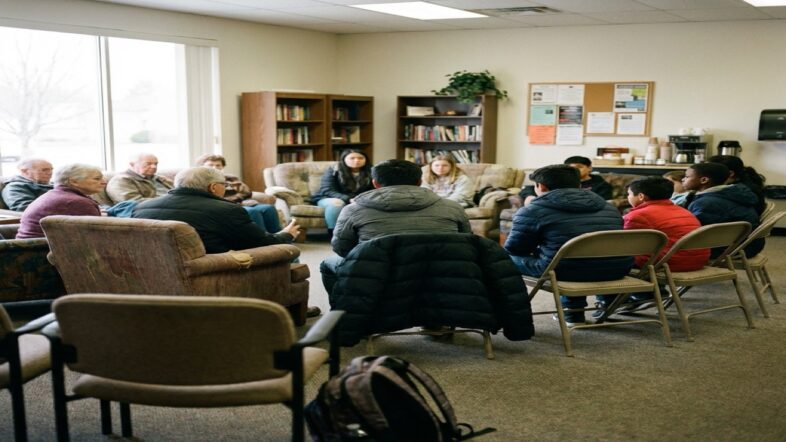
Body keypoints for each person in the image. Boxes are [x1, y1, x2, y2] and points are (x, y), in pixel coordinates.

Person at [504, 164, 631, 326]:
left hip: (564, 271)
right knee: (572, 255)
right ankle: (607, 303)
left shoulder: (532, 210)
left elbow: (516, 249)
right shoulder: (609, 207)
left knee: (505, 257)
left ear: (540, 186)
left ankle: (572, 313)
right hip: (617, 268)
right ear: (579, 185)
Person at [320, 159, 471, 294]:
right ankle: (434, 320)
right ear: (419, 181)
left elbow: (341, 248)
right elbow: (466, 243)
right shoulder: (454, 207)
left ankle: (343, 313)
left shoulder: (352, 210)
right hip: (438, 271)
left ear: (375, 183)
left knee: (327, 264)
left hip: (377, 271)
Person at [132, 167, 300, 254]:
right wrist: (286, 234)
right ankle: (292, 302)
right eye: (224, 185)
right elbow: (261, 244)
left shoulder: (140, 208)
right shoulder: (227, 210)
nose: (225, 188)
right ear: (213, 187)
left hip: (159, 273)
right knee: (286, 249)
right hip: (214, 268)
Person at [617, 177, 710, 311]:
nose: (628, 197)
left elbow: (627, 245)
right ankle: (651, 292)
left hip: (670, 263)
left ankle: (643, 294)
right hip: (698, 259)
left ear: (641, 196)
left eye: (629, 194)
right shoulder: (683, 210)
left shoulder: (638, 216)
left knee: (611, 258)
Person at [682, 162, 763, 258]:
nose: (683, 179)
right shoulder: (732, 192)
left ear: (704, 180)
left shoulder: (706, 203)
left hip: (731, 249)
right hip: (747, 245)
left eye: (687, 177)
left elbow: (693, 232)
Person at [194, 153, 282, 233]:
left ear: (222, 167)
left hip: (240, 204)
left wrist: (237, 197)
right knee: (253, 211)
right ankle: (263, 240)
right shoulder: (201, 181)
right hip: (225, 207)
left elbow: (247, 192)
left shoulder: (230, 178)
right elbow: (212, 198)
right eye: (210, 165)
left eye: (218, 165)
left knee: (268, 208)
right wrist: (235, 198)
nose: (215, 168)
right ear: (202, 167)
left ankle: (279, 237)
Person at [16, 164, 105, 239]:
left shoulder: (56, 194)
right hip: (42, 251)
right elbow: (96, 236)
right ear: (74, 181)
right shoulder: (77, 202)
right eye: (97, 179)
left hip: (28, 249)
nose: (103, 182)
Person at [312, 150, 373, 233]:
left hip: (359, 199)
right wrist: (348, 199)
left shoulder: (372, 171)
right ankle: (335, 233)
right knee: (336, 204)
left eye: (360, 158)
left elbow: (374, 189)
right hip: (329, 198)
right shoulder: (334, 170)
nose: (357, 160)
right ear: (344, 159)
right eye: (352, 158)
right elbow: (327, 189)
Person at [518, 155, 612, 203]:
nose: (575, 170)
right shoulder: (560, 180)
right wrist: (529, 197)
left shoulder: (601, 185)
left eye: (579, 167)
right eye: (570, 168)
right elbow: (530, 188)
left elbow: (600, 201)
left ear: (589, 168)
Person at [106, 153, 173, 204]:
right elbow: (133, 202)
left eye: (156, 164)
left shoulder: (160, 178)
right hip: (152, 211)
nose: (154, 167)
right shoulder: (121, 180)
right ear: (132, 164)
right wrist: (170, 201)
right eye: (148, 164)